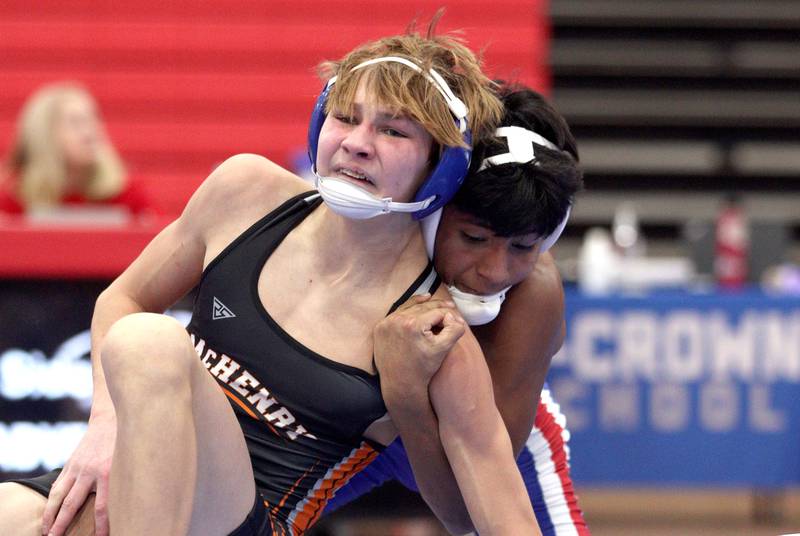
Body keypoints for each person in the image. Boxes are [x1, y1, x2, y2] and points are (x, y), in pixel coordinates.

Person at [0, 23, 542, 536]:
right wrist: (105, 425)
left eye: (392, 130)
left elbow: (499, 515)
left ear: (441, 166)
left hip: (245, 518)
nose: (356, 142)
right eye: (346, 118)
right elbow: (124, 296)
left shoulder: (429, 329)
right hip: (140, 483)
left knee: (150, 342)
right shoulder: (247, 192)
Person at [322, 85, 589, 535]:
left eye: (523, 246)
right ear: (432, 208)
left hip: (495, 446)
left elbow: (468, 501)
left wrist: (406, 396)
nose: (493, 271)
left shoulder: (535, 289)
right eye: (474, 239)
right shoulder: (370, 234)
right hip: (357, 429)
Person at [0, 82, 152, 217]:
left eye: (93, 120)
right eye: (76, 123)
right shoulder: (14, 199)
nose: (90, 133)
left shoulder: (127, 194)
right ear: (44, 134)